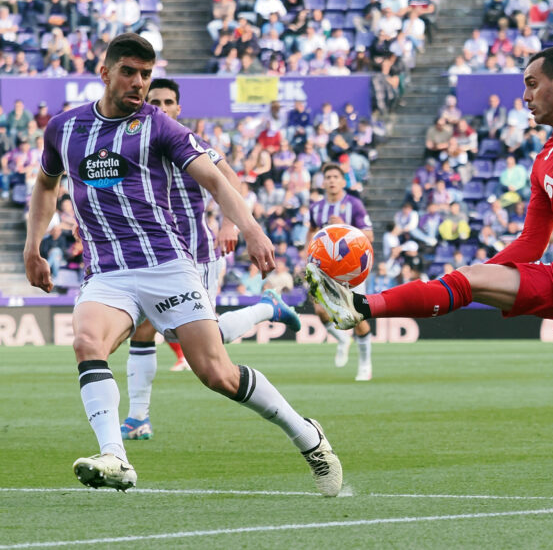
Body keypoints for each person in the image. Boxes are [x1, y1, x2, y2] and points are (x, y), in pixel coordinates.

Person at [307, 46, 553, 504]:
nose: (525, 96)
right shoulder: (545, 160)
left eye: (532, 84)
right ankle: (363, 306)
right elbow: (531, 245)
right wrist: (472, 276)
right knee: (472, 278)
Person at [23, 33, 342, 496]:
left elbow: (215, 176)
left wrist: (250, 228)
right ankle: (116, 455)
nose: (138, 83)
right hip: (108, 271)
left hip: (167, 265)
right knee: (87, 341)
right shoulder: (64, 129)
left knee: (218, 374)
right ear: (105, 73)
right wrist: (33, 246)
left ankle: (307, 436)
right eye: (129, 72)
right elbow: (46, 185)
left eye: (146, 74)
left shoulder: (158, 126)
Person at [119, 78, 303, 442]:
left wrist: (229, 224)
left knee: (202, 341)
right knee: (141, 330)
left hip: (195, 256)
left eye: (168, 101)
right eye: (154, 100)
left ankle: (267, 307)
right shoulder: (131, 145)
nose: (162, 106)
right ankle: (138, 417)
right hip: (148, 257)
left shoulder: (190, 143)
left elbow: (230, 180)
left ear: (178, 108)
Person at [307, 163, 375, 381]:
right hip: (323, 269)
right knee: (320, 311)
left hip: (350, 270)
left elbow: (369, 236)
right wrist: (307, 255)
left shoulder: (354, 205)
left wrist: (345, 226)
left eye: (336, 176)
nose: (331, 180)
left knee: (355, 317)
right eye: (328, 177)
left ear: (343, 181)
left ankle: (365, 364)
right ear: (323, 181)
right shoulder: (316, 208)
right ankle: (343, 340)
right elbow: (311, 231)